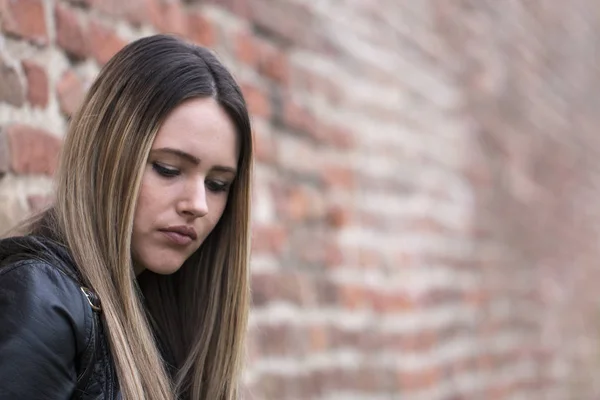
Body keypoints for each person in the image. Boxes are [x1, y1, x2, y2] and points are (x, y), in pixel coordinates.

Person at [0, 34, 253, 400]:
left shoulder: (163, 316)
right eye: (168, 169)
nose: (197, 203)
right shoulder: (42, 302)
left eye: (217, 184)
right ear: (106, 158)